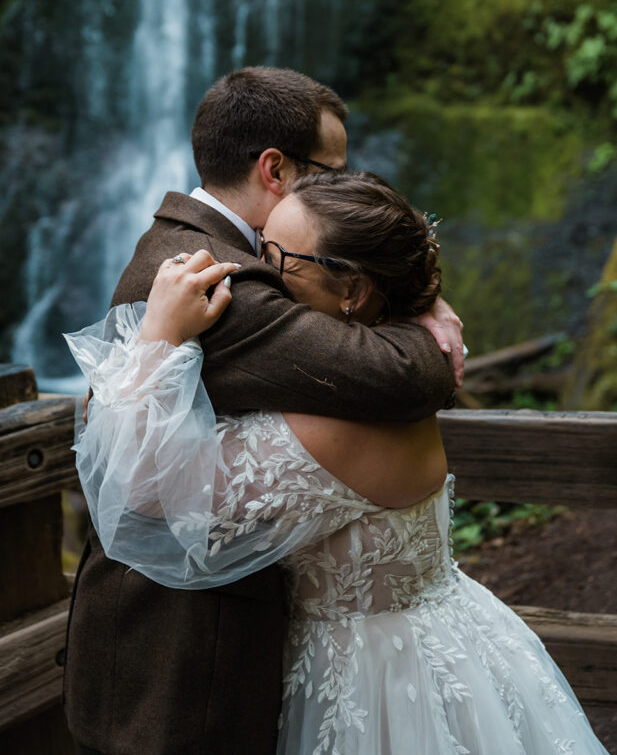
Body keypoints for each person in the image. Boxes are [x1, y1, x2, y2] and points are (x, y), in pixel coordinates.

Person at [67, 171, 608, 755]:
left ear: (351, 289)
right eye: (259, 246)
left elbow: (149, 494)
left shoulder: (336, 424)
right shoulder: (368, 379)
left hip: (370, 683)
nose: (260, 274)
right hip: (443, 641)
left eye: (277, 257)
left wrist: (160, 337)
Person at [62, 66, 463, 755]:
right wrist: (423, 315)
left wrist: (412, 291)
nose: (340, 186)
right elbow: (401, 375)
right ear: (274, 168)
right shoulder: (219, 279)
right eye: (329, 171)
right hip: (178, 661)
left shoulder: (219, 249)